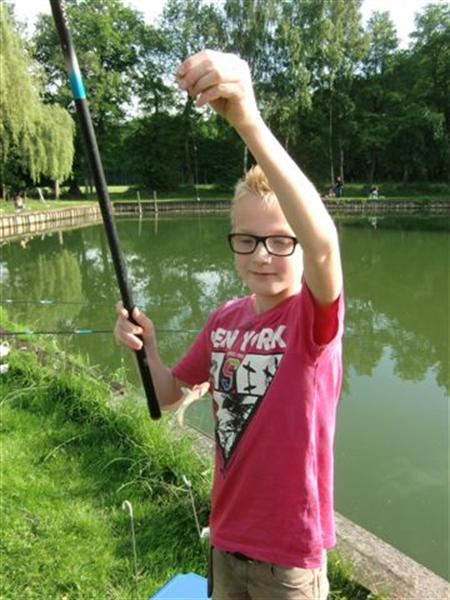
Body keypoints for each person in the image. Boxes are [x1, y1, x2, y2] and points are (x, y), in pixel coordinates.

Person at [114, 50, 344, 600]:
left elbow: (324, 245)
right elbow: (169, 395)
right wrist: (146, 350)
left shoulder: (311, 319)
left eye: (280, 241)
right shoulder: (225, 320)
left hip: (288, 558)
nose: (262, 254)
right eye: (247, 239)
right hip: (226, 538)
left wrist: (247, 119)